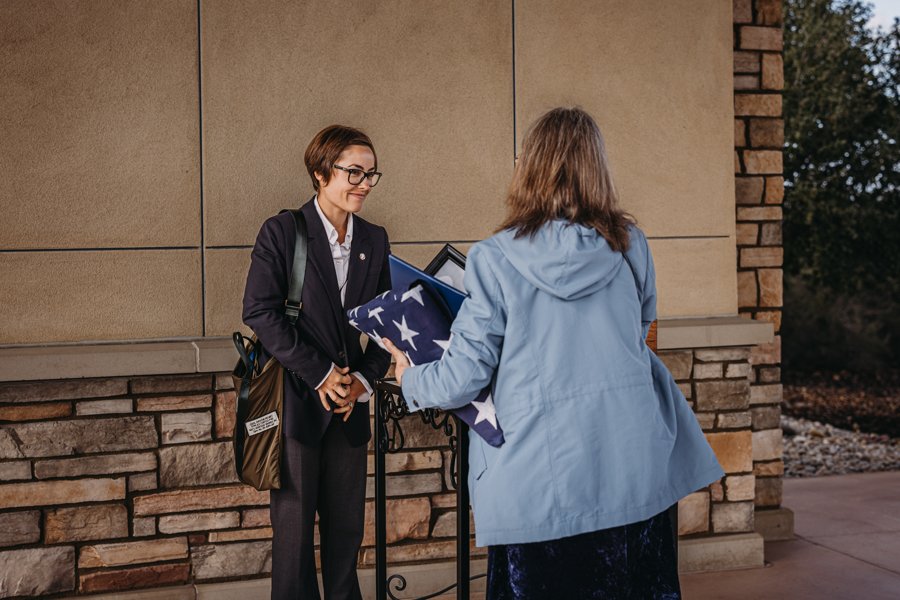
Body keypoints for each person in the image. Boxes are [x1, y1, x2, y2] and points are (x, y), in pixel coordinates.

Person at [383, 107, 723, 599]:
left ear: (531, 168)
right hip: (632, 467)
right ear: (596, 167)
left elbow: (464, 375)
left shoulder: (494, 257)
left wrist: (408, 376)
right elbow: (639, 329)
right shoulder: (631, 244)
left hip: (540, 480)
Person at [242, 125, 391, 600]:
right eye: (354, 172)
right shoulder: (283, 231)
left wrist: (363, 383)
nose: (364, 183)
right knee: (294, 540)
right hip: (297, 407)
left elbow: (387, 322)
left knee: (347, 537)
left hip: (349, 411)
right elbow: (260, 312)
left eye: (371, 174)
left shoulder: (375, 238)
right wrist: (323, 374)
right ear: (320, 172)